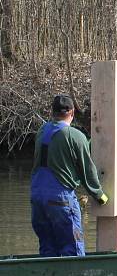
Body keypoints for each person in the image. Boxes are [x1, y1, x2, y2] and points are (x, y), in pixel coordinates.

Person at [30, 95, 108, 257]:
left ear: (52, 112)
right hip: (60, 199)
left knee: (47, 248)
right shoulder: (75, 136)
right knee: (72, 249)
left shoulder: (42, 131)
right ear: (72, 112)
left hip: (37, 197)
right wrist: (99, 195)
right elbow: (87, 171)